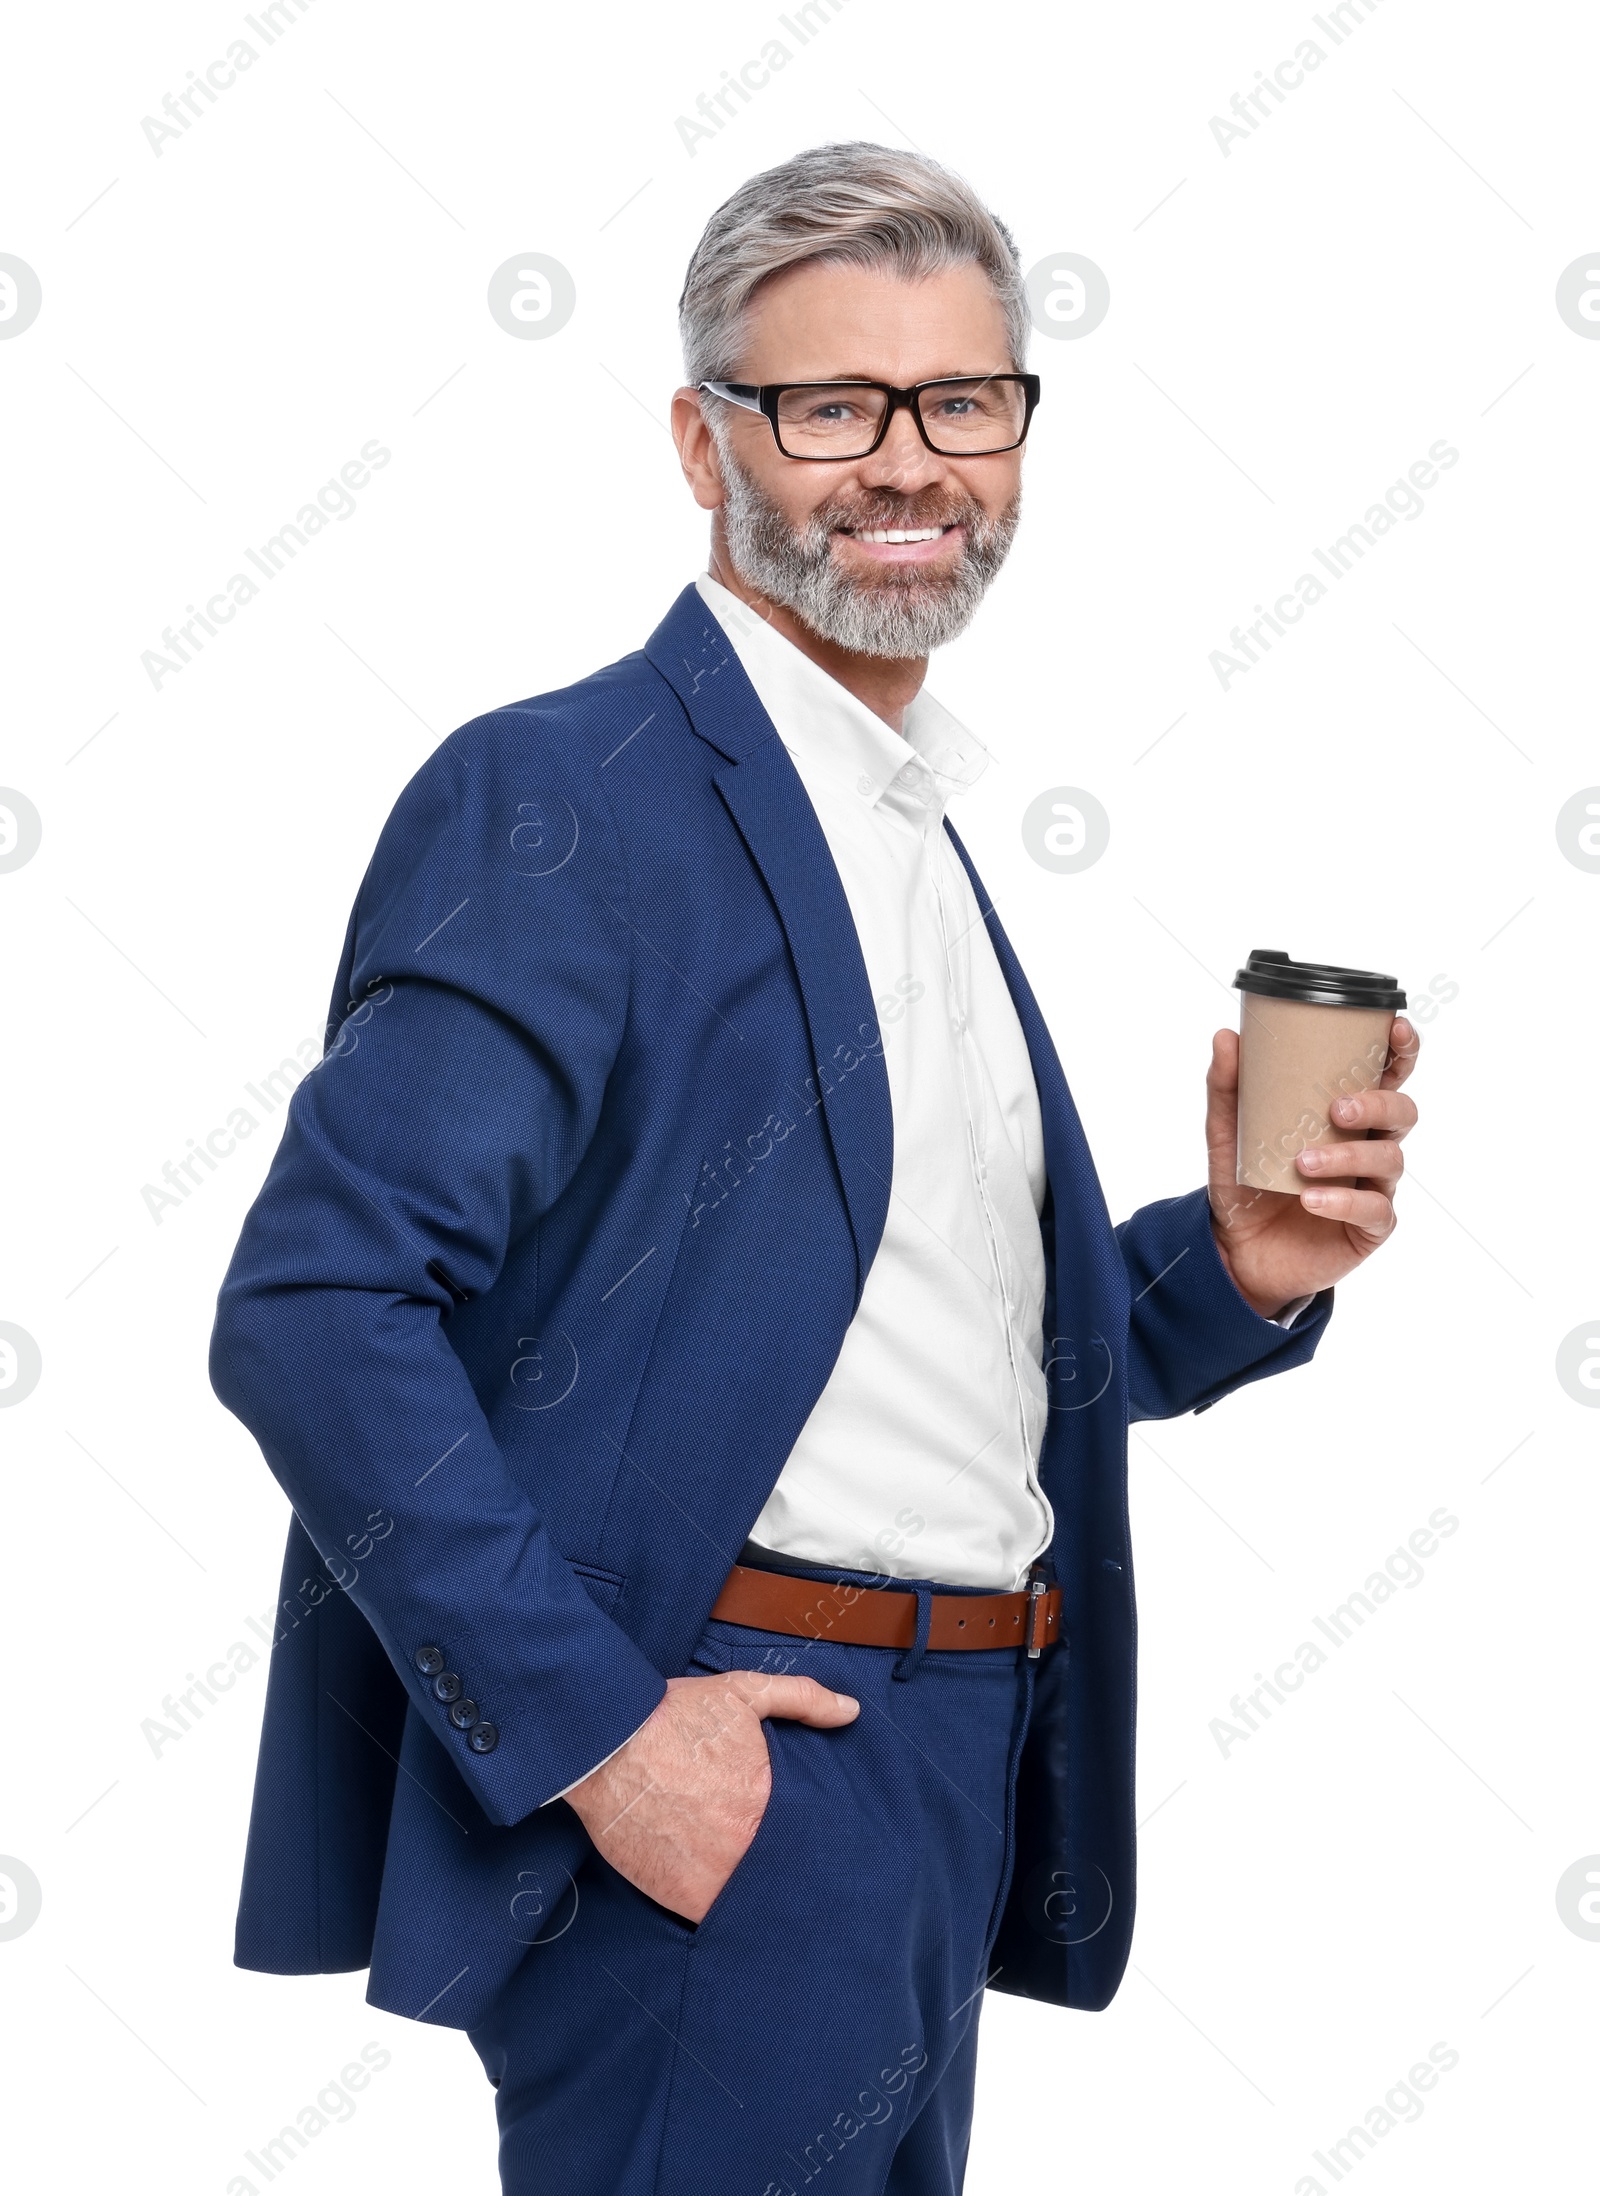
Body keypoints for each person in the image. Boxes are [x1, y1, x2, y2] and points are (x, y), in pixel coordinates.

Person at [211, 141, 1418, 2196]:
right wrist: (607, 1740)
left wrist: (1235, 1261)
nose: (907, 463)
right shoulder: (567, 798)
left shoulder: (896, 822)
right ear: (703, 439)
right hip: (723, 1761)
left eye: (959, 401)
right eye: (829, 406)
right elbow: (316, 1313)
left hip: (951, 1766)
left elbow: (902, 1350)